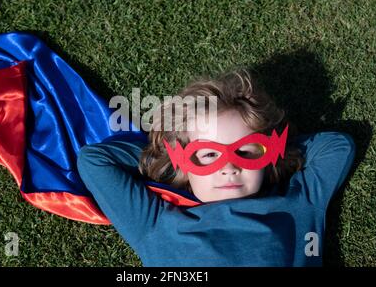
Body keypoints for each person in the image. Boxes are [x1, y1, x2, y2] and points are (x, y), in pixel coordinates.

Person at [76, 69, 356, 266]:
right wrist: (166, 152)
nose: (230, 166)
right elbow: (95, 161)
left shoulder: (298, 204)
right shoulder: (154, 224)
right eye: (208, 155)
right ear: (182, 163)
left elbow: (338, 146)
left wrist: (275, 148)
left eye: (246, 151)